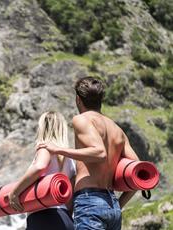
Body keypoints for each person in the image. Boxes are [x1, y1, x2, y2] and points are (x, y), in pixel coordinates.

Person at [37, 76, 140, 230]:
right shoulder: (117, 129)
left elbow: (99, 153)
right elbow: (137, 174)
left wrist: (57, 149)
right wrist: (118, 205)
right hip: (112, 205)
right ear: (101, 99)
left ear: (78, 99)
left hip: (89, 202)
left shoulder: (81, 120)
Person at [8, 111, 76, 230]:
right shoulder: (69, 159)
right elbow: (70, 199)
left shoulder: (45, 148)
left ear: (43, 127)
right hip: (65, 219)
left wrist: (15, 192)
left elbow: (40, 167)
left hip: (42, 217)